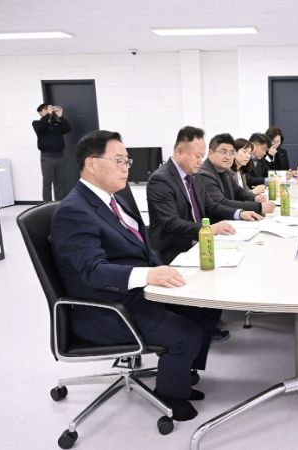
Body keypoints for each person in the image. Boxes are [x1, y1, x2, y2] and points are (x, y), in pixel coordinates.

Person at [51, 130, 208, 422]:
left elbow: (140, 246)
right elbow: (92, 271)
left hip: (131, 294)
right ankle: (170, 396)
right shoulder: (74, 211)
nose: (126, 168)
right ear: (91, 163)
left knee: (203, 310)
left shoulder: (114, 199)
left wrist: (171, 269)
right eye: (119, 161)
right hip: (107, 309)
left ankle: (180, 374)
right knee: (186, 334)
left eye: (127, 161)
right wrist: (149, 275)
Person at [146, 126, 236, 345]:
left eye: (202, 156)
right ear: (179, 151)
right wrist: (208, 230)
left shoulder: (194, 176)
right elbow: (170, 222)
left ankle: (208, 323)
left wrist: (239, 213)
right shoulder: (161, 180)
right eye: (197, 156)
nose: (200, 161)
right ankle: (200, 328)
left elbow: (211, 205)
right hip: (173, 248)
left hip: (196, 241)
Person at [198, 133, 275, 218]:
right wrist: (259, 207)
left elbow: (238, 191)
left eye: (231, 153)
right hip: (215, 223)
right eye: (223, 152)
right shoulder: (205, 175)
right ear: (210, 153)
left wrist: (255, 198)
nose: (228, 157)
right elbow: (222, 203)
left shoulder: (226, 170)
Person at [32, 103, 71, 201]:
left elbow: (67, 129)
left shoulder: (56, 123)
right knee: (47, 182)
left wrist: (60, 116)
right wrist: (48, 115)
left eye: (50, 108)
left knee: (60, 182)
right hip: (47, 158)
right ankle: (47, 204)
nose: (49, 110)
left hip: (60, 157)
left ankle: (59, 203)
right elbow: (40, 128)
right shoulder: (37, 123)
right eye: (46, 109)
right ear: (40, 112)